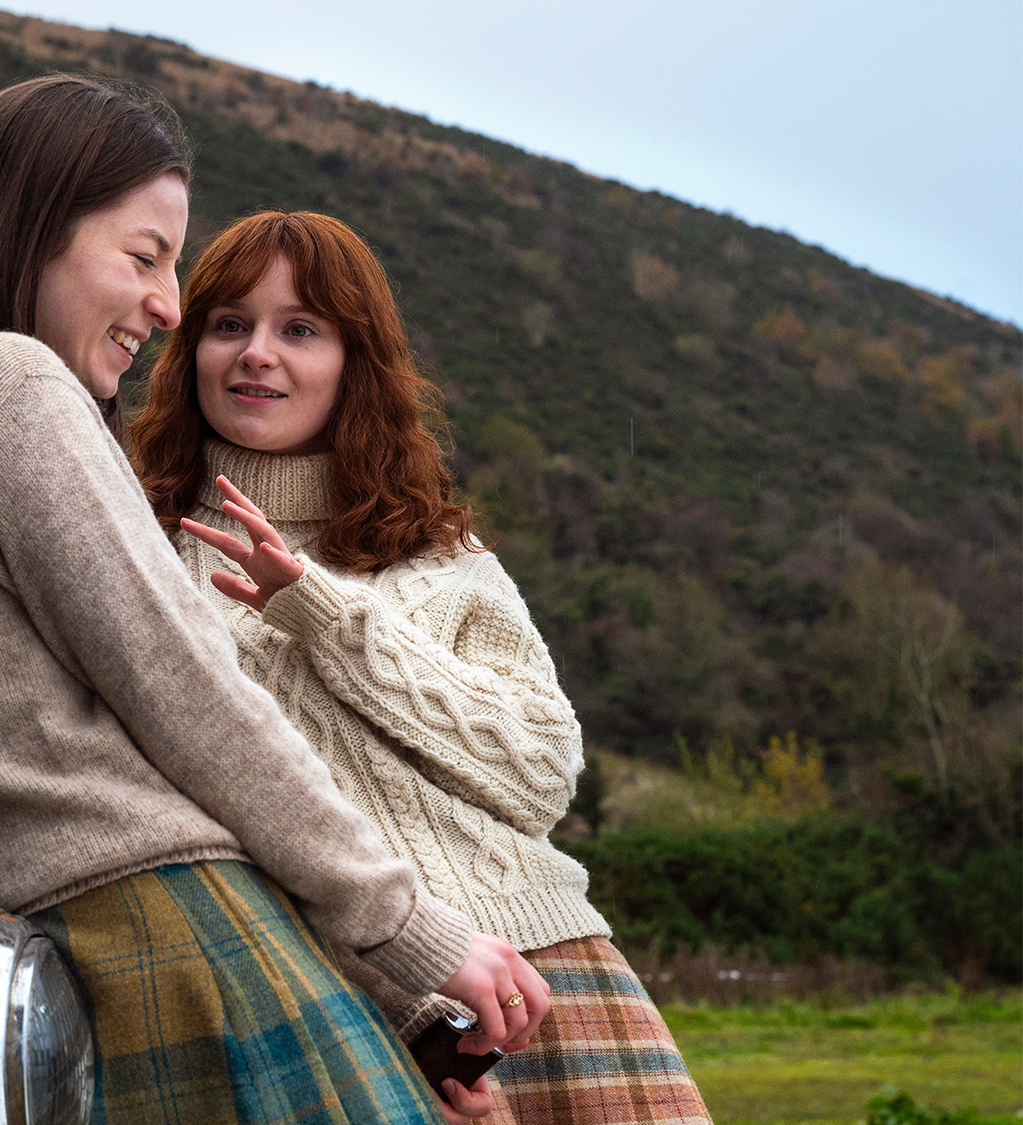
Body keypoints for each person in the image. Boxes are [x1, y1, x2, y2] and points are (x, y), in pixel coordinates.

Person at [0, 76, 549, 1122]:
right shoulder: (4, 386)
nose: (165, 305)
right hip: (167, 933)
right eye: (143, 257)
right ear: (33, 230)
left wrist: (389, 986)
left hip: (104, 936)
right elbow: (192, 700)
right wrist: (411, 935)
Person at [127, 209, 713, 1124]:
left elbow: (541, 771)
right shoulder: (125, 534)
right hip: (316, 997)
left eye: (301, 329)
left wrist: (322, 614)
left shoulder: (435, 551)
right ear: (188, 345)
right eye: (229, 324)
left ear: (355, 363)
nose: (257, 354)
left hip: (537, 977)